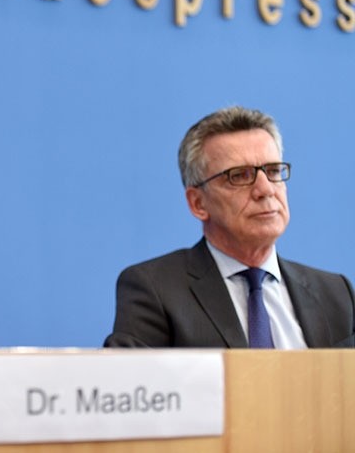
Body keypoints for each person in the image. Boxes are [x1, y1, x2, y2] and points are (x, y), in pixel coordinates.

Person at [105, 106, 354, 349]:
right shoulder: (156, 290)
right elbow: (130, 384)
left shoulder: (337, 294)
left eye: (273, 171)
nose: (265, 189)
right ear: (198, 202)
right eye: (240, 175)